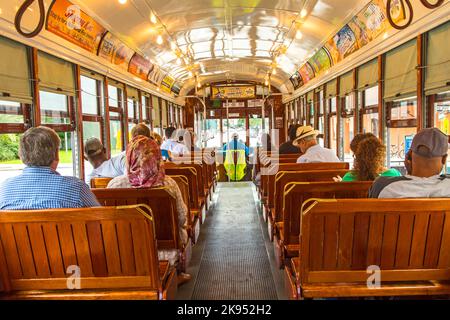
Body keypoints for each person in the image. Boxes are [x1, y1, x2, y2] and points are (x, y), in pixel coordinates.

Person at [107, 135, 191, 283]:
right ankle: (176, 273)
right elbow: (182, 217)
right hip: (164, 253)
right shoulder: (169, 185)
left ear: (129, 157)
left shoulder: (114, 185)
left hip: (125, 253)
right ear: (157, 157)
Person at [0, 126, 100, 210]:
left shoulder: (4, 189)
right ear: (56, 154)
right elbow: (101, 218)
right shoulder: (76, 187)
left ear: (21, 155)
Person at [369, 128, 450, 198]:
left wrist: (409, 173)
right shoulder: (447, 186)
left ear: (409, 155)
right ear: (444, 159)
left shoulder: (381, 186)